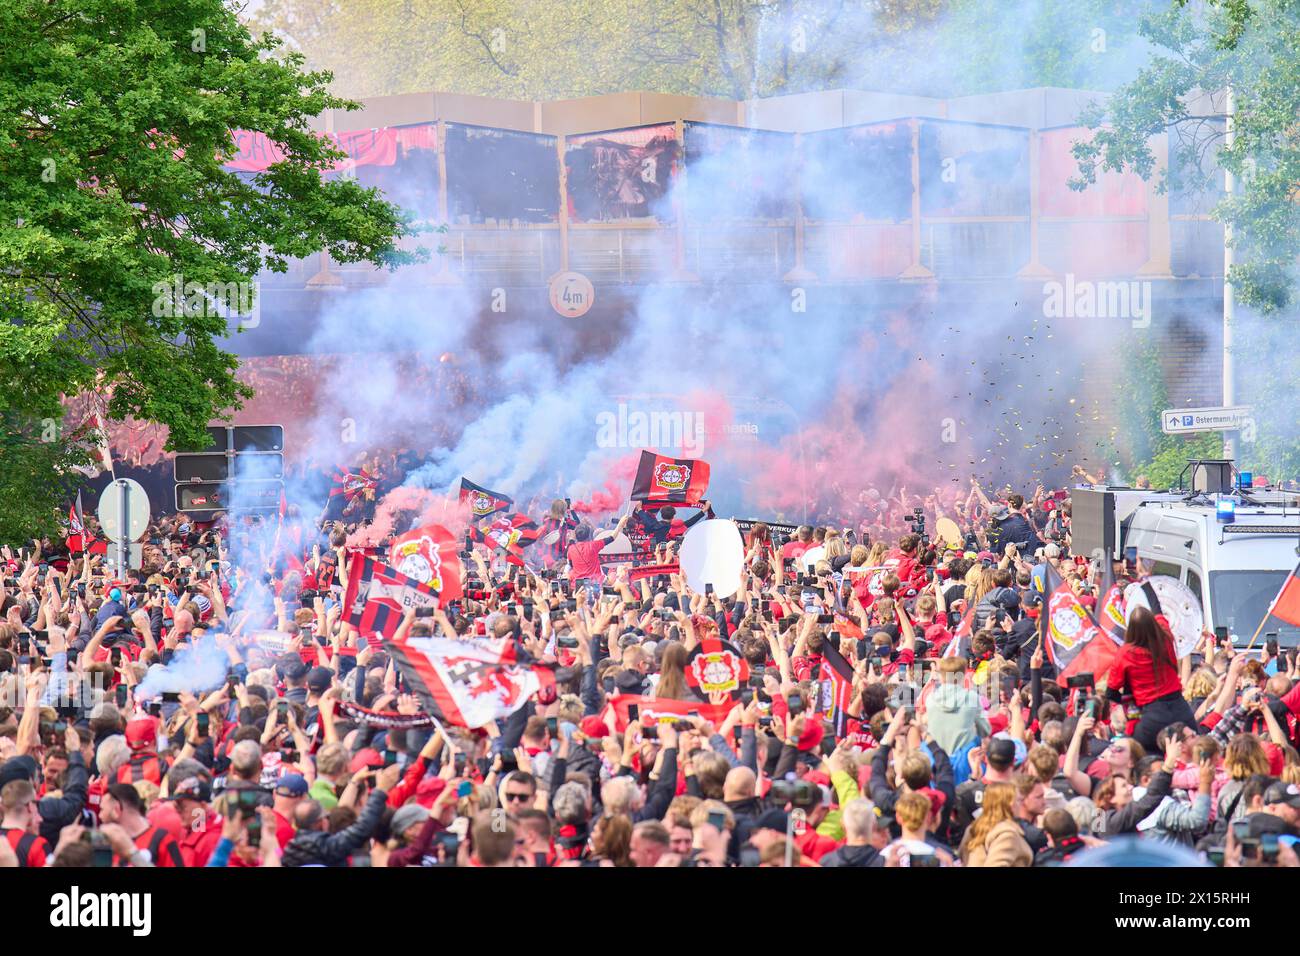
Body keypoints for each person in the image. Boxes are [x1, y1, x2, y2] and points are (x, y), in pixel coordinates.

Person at [1107, 606, 1196, 751]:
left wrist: (1130, 702)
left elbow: (1111, 692)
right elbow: (1158, 610)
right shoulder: (1166, 639)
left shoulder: (1125, 654)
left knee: (1141, 756)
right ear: (1153, 625)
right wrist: (1146, 587)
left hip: (1152, 717)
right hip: (1181, 711)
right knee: (1194, 752)